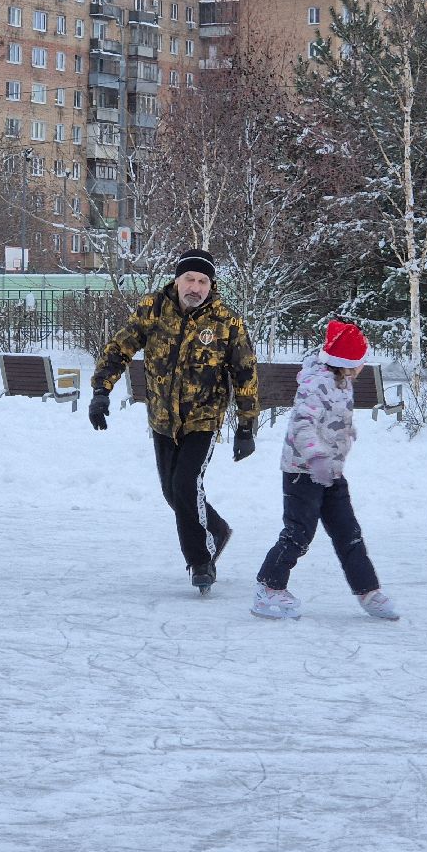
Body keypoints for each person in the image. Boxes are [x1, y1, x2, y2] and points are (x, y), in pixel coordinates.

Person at [89, 249, 260, 594]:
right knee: (173, 492)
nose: (195, 287)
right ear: (177, 280)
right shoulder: (153, 309)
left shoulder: (226, 321)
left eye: (202, 281)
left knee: (185, 485)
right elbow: (120, 347)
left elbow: (245, 373)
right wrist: (101, 390)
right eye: (189, 279)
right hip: (163, 419)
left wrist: (246, 426)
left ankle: (201, 562)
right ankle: (216, 529)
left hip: (203, 419)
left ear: (211, 285)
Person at [252, 320, 399, 621]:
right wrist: (316, 457)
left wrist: (344, 432)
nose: (362, 366)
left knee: (348, 531)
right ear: (347, 362)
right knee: (298, 533)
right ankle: (268, 587)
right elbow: (302, 425)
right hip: (302, 471)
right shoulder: (315, 384)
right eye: (360, 360)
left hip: (332, 472)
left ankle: (367, 590)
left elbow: (331, 418)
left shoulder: (342, 382)